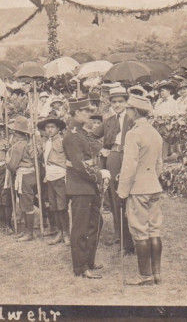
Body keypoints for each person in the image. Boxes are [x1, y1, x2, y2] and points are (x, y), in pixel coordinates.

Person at [117, 94, 164, 286]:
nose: (127, 112)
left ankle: (144, 276)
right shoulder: (155, 133)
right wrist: (152, 178)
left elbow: (129, 166)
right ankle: (157, 273)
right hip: (153, 185)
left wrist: (122, 192)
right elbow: (159, 164)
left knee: (140, 231)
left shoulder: (133, 133)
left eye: (128, 109)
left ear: (135, 112)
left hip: (138, 188)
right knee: (155, 229)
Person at [63, 98, 107, 279]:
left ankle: (89, 261)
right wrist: (99, 175)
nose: (89, 114)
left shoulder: (82, 132)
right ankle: (80, 268)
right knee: (81, 228)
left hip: (89, 185)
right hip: (80, 186)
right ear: (75, 114)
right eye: (85, 111)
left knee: (96, 224)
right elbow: (79, 165)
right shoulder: (72, 135)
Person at [91, 84, 135, 254]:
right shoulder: (108, 121)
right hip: (114, 159)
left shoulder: (132, 119)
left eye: (120, 101)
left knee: (130, 196)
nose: (117, 104)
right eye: (114, 102)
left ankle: (135, 235)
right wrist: (100, 149)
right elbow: (92, 136)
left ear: (126, 102)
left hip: (130, 159)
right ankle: (122, 237)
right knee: (115, 197)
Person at [6, 116, 41, 242]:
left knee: (26, 204)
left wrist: (7, 161)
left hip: (24, 175)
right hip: (31, 174)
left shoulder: (18, 146)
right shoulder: (29, 144)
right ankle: (27, 230)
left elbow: (12, 165)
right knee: (26, 202)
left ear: (16, 133)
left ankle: (29, 232)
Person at [38, 112, 69, 246]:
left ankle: (66, 233)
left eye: (52, 127)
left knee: (62, 206)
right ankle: (59, 232)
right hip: (49, 176)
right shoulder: (45, 142)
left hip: (60, 175)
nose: (50, 129)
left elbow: (68, 158)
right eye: (47, 127)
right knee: (53, 206)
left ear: (58, 129)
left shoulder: (62, 141)